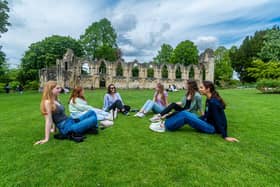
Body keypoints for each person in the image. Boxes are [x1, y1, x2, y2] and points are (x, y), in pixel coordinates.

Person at [149, 80, 239, 142]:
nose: (199, 89)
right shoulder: (209, 99)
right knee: (186, 113)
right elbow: (207, 115)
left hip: (212, 128)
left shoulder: (213, 102)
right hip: (207, 122)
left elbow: (219, 119)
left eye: (201, 88)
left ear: (208, 89)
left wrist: (225, 136)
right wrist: (199, 118)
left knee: (185, 114)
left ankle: (165, 126)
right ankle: (164, 123)